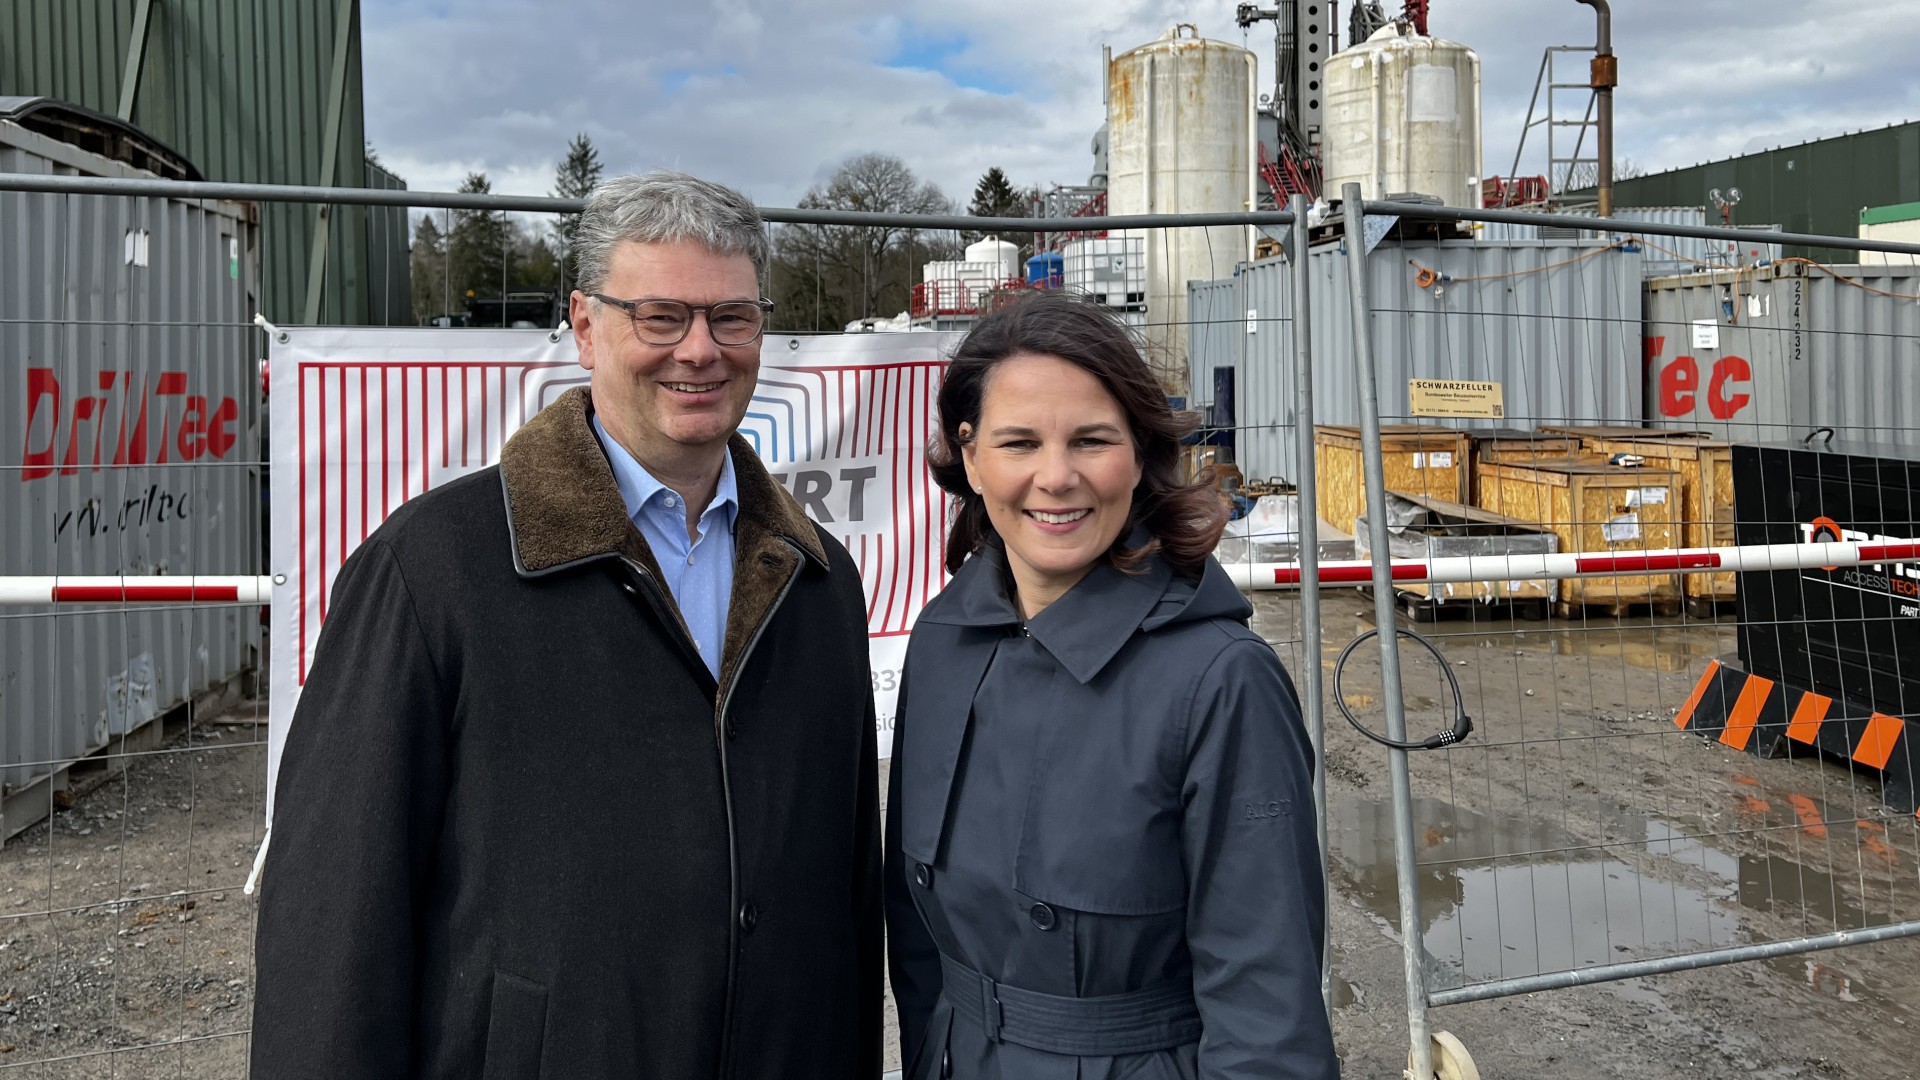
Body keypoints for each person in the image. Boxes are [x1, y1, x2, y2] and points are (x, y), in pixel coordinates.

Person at [252, 171, 882, 1080]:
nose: (700, 351)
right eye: (660, 317)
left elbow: (848, 899)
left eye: (731, 317)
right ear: (586, 326)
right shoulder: (433, 570)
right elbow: (333, 922)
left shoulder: (818, 581)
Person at [884, 292, 1338, 1079]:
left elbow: (1269, 1009)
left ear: (1139, 452)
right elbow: (921, 948)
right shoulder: (941, 643)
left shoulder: (1221, 684)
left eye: (1091, 440)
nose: (1056, 478)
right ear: (970, 455)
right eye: (1019, 441)